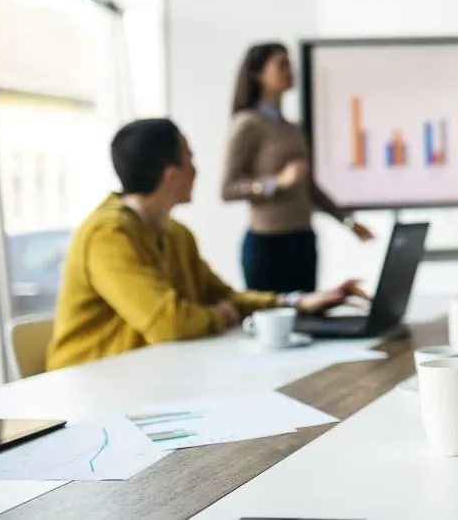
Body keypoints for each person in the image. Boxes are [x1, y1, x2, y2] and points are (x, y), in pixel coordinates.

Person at [46, 119, 365, 371]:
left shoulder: (175, 234)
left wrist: (296, 302)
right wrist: (221, 315)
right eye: (191, 159)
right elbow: (169, 323)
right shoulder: (107, 236)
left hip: (145, 376)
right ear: (171, 175)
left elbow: (224, 298)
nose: (196, 170)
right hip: (89, 386)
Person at [222, 42, 373, 294]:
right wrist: (276, 182)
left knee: (309, 320)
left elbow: (310, 189)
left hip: (302, 241)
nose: (290, 70)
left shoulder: (293, 129)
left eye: (290, 63)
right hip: (268, 245)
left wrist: (348, 221)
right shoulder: (247, 125)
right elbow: (228, 188)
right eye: (281, 64)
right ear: (258, 74)